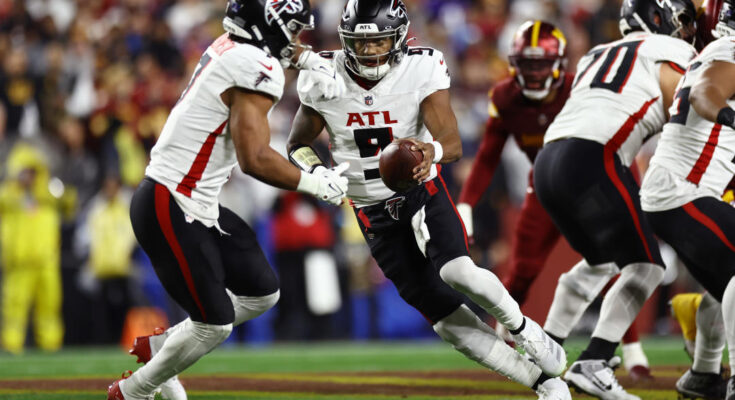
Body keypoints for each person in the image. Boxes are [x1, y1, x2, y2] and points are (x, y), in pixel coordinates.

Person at [287, 1, 570, 399]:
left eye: (379, 41)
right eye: (361, 43)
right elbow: (297, 144)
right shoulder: (324, 78)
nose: (369, 52)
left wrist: (428, 153)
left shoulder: (421, 68)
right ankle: (542, 383)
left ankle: (526, 331)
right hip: (370, 210)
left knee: (459, 272)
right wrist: (316, 173)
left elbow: (451, 143)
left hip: (420, 190)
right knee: (446, 321)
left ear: (399, 38)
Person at [106, 1, 350, 399]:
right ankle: (134, 390)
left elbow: (275, 45)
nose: (294, 38)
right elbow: (253, 159)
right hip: (171, 203)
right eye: (289, 29)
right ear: (267, 26)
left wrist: (309, 60)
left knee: (263, 291)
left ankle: (162, 348)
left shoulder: (232, 45)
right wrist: (315, 182)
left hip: (193, 203)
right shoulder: (255, 66)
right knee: (214, 324)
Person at [455, 20, 651, 380]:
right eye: (526, 64)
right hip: (544, 187)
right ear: (513, 63)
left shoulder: (582, 86)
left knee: (613, 265)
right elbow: (486, 156)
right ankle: (502, 341)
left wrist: (631, 191)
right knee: (523, 268)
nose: (533, 73)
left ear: (560, 63)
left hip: (593, 185)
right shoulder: (504, 97)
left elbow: (623, 139)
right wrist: (465, 204)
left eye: (541, 64)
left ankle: (632, 348)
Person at [531, 0, 698, 397]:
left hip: (548, 160)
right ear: (659, 18)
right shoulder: (673, 52)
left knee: (600, 262)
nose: (688, 30)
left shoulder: (596, 53)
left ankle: (541, 354)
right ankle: (595, 360)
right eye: (682, 20)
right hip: (595, 157)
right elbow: (689, 108)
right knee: (648, 267)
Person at [639, 0, 735, 396]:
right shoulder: (729, 51)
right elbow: (705, 94)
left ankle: (704, 375)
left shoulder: (715, 52)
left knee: (727, 281)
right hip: (683, 192)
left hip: (681, 192)